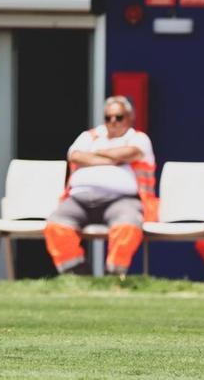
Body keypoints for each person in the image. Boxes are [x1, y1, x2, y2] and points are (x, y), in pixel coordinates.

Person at [43, 96, 156, 279]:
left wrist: (94, 155)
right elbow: (74, 156)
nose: (113, 121)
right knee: (55, 225)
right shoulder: (89, 135)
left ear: (129, 117)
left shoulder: (138, 138)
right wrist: (113, 160)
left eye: (118, 117)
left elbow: (128, 153)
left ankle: (113, 276)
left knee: (127, 226)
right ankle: (79, 276)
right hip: (79, 200)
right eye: (108, 117)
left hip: (121, 201)